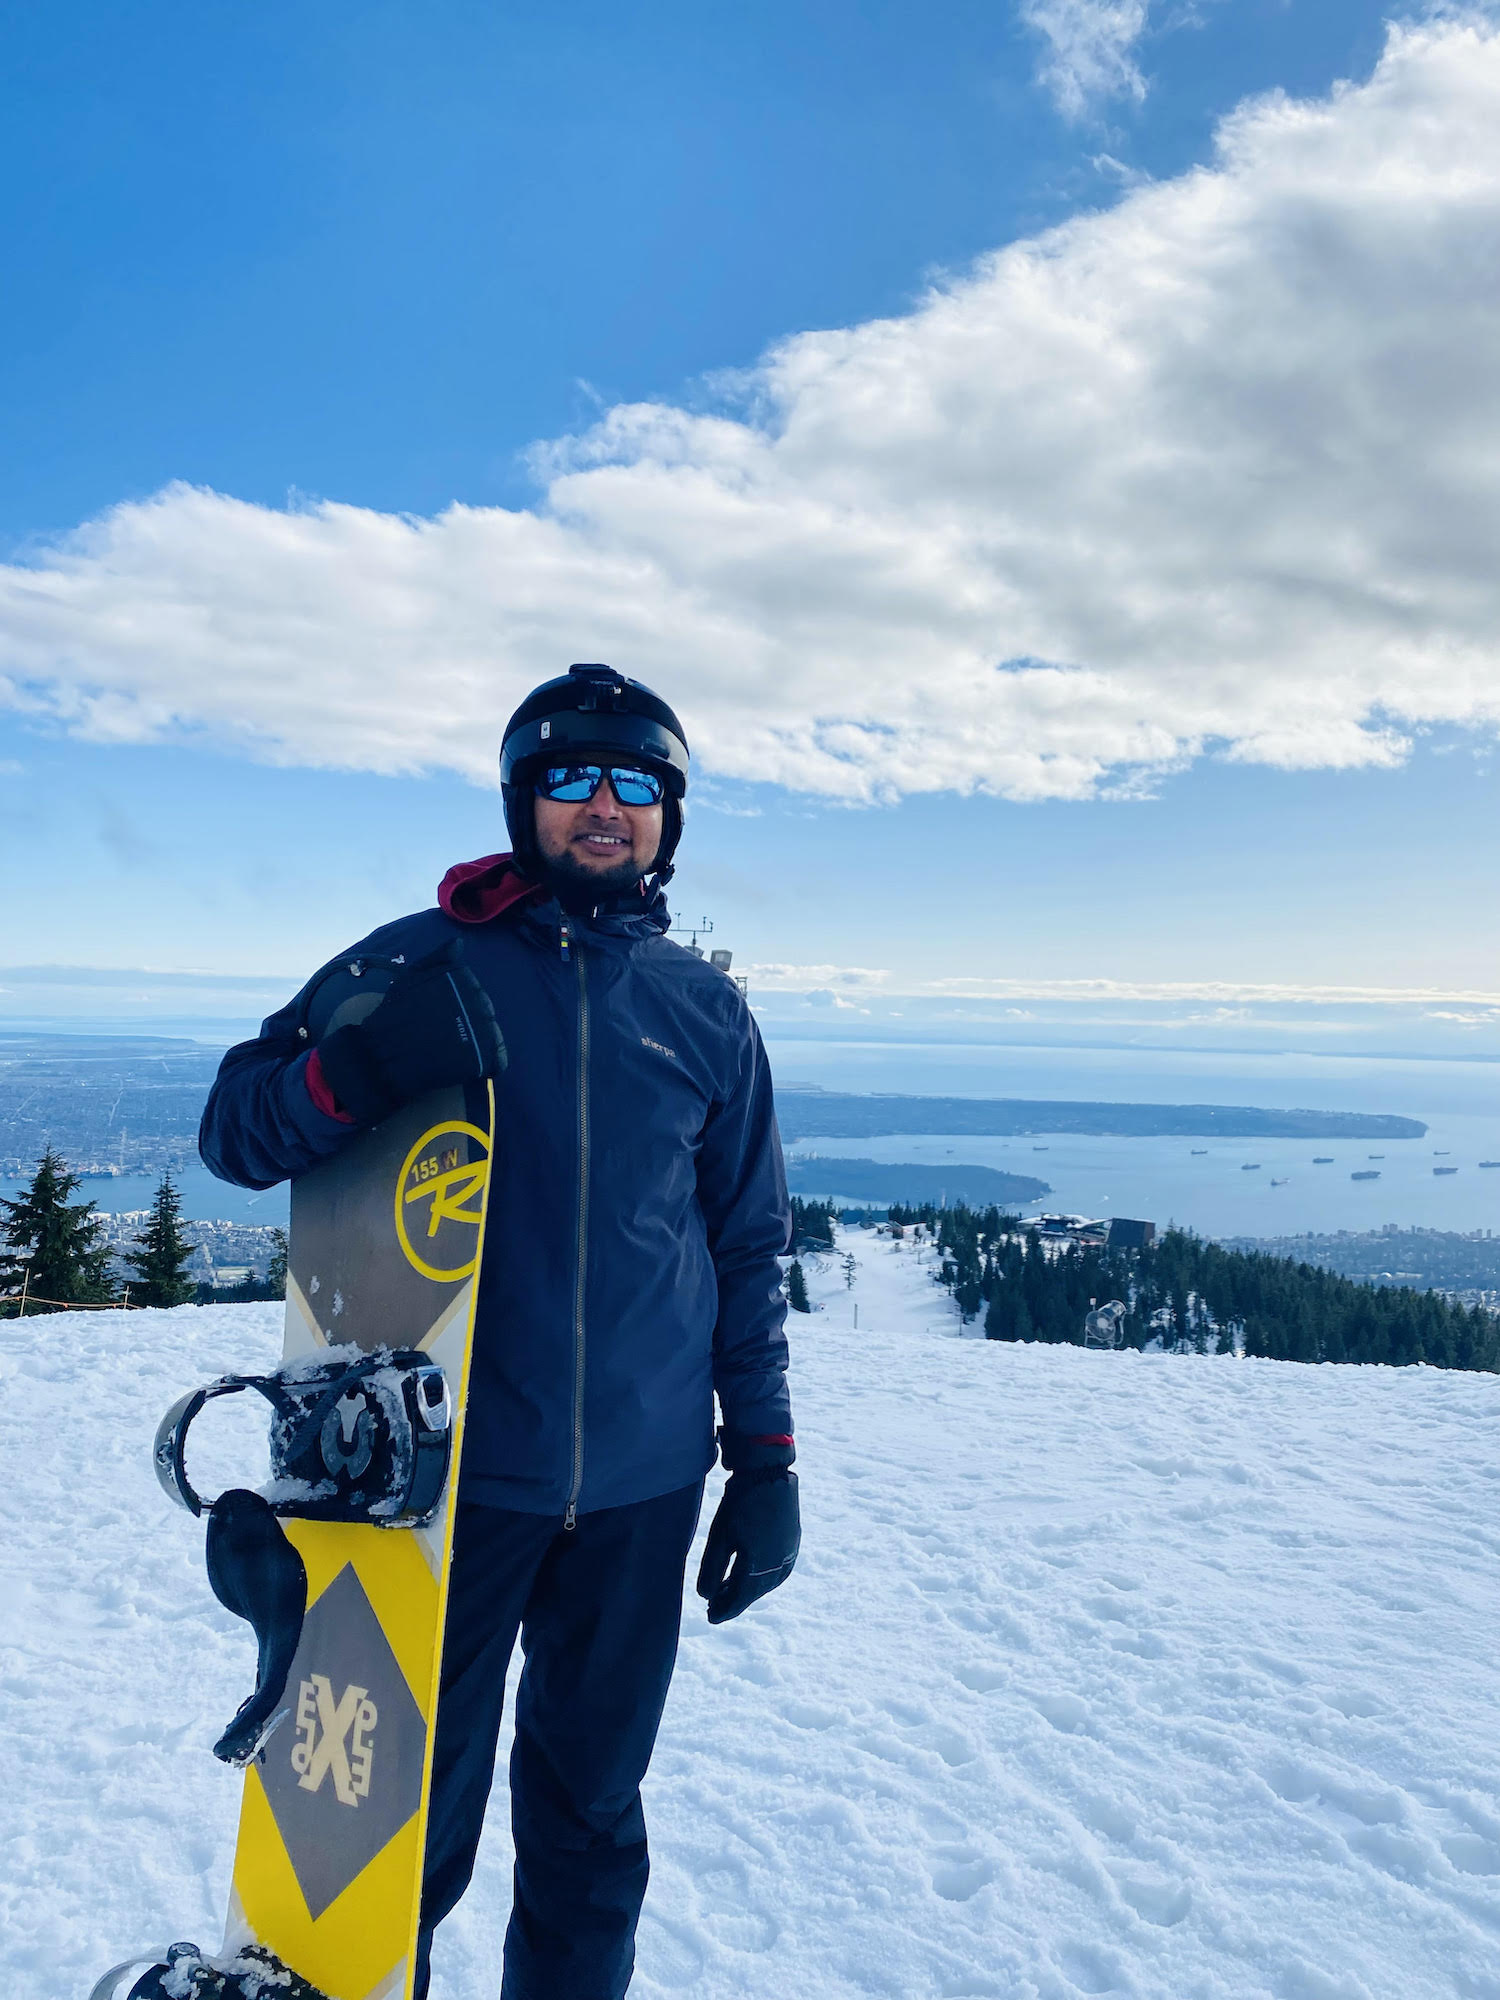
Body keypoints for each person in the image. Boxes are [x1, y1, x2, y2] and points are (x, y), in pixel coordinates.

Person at [199, 663, 800, 2000]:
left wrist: (765, 1462)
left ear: (669, 820)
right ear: (525, 802)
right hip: (440, 1499)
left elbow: (748, 1245)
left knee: (591, 1829)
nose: (606, 806)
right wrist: (345, 1073)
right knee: (388, 1841)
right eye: (574, 779)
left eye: (636, 783)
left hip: (643, 1494)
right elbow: (234, 1129)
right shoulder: (418, 965)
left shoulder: (706, 1013)